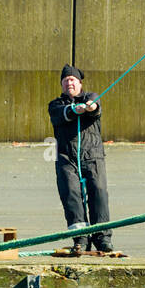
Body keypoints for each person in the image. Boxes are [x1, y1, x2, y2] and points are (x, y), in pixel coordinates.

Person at [48, 65, 114, 253]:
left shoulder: (91, 97)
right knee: (71, 194)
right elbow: (62, 115)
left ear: (79, 83)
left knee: (99, 193)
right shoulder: (55, 105)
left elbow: (95, 105)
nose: (69, 83)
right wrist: (74, 109)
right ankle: (81, 238)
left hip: (93, 156)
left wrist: (91, 107)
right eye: (66, 80)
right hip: (66, 158)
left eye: (73, 80)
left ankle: (102, 238)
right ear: (62, 85)